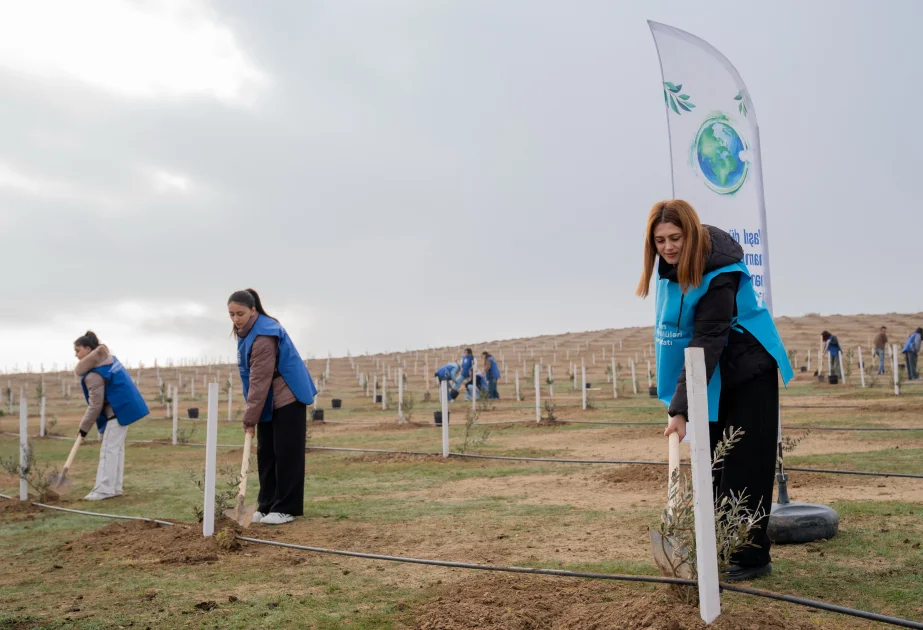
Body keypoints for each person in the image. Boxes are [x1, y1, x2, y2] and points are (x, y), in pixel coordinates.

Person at [636, 200, 792, 582]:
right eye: (660, 241)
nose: (668, 247)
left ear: (690, 234)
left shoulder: (719, 271)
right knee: (715, 462)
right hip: (718, 370)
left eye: (675, 238)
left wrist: (680, 409)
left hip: (749, 367)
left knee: (744, 463)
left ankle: (751, 557)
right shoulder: (669, 271)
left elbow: (707, 339)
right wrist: (682, 405)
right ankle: (720, 546)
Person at [230, 289, 317, 526]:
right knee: (266, 453)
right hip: (268, 398)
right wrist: (254, 412)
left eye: (240, 313)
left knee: (286, 453)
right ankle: (266, 504)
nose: (236, 319)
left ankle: (285, 507)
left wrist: (250, 417)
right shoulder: (245, 332)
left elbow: (260, 379)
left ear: (253, 311)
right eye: (232, 314)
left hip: (288, 396)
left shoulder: (265, 336)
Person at [74, 331, 149, 501]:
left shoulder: (95, 373)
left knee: (109, 449)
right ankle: (115, 487)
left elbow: (95, 405)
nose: (76, 355)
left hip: (118, 411)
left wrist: (83, 430)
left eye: (78, 350)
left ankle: (103, 489)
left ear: (87, 349)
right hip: (125, 408)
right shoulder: (108, 360)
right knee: (116, 450)